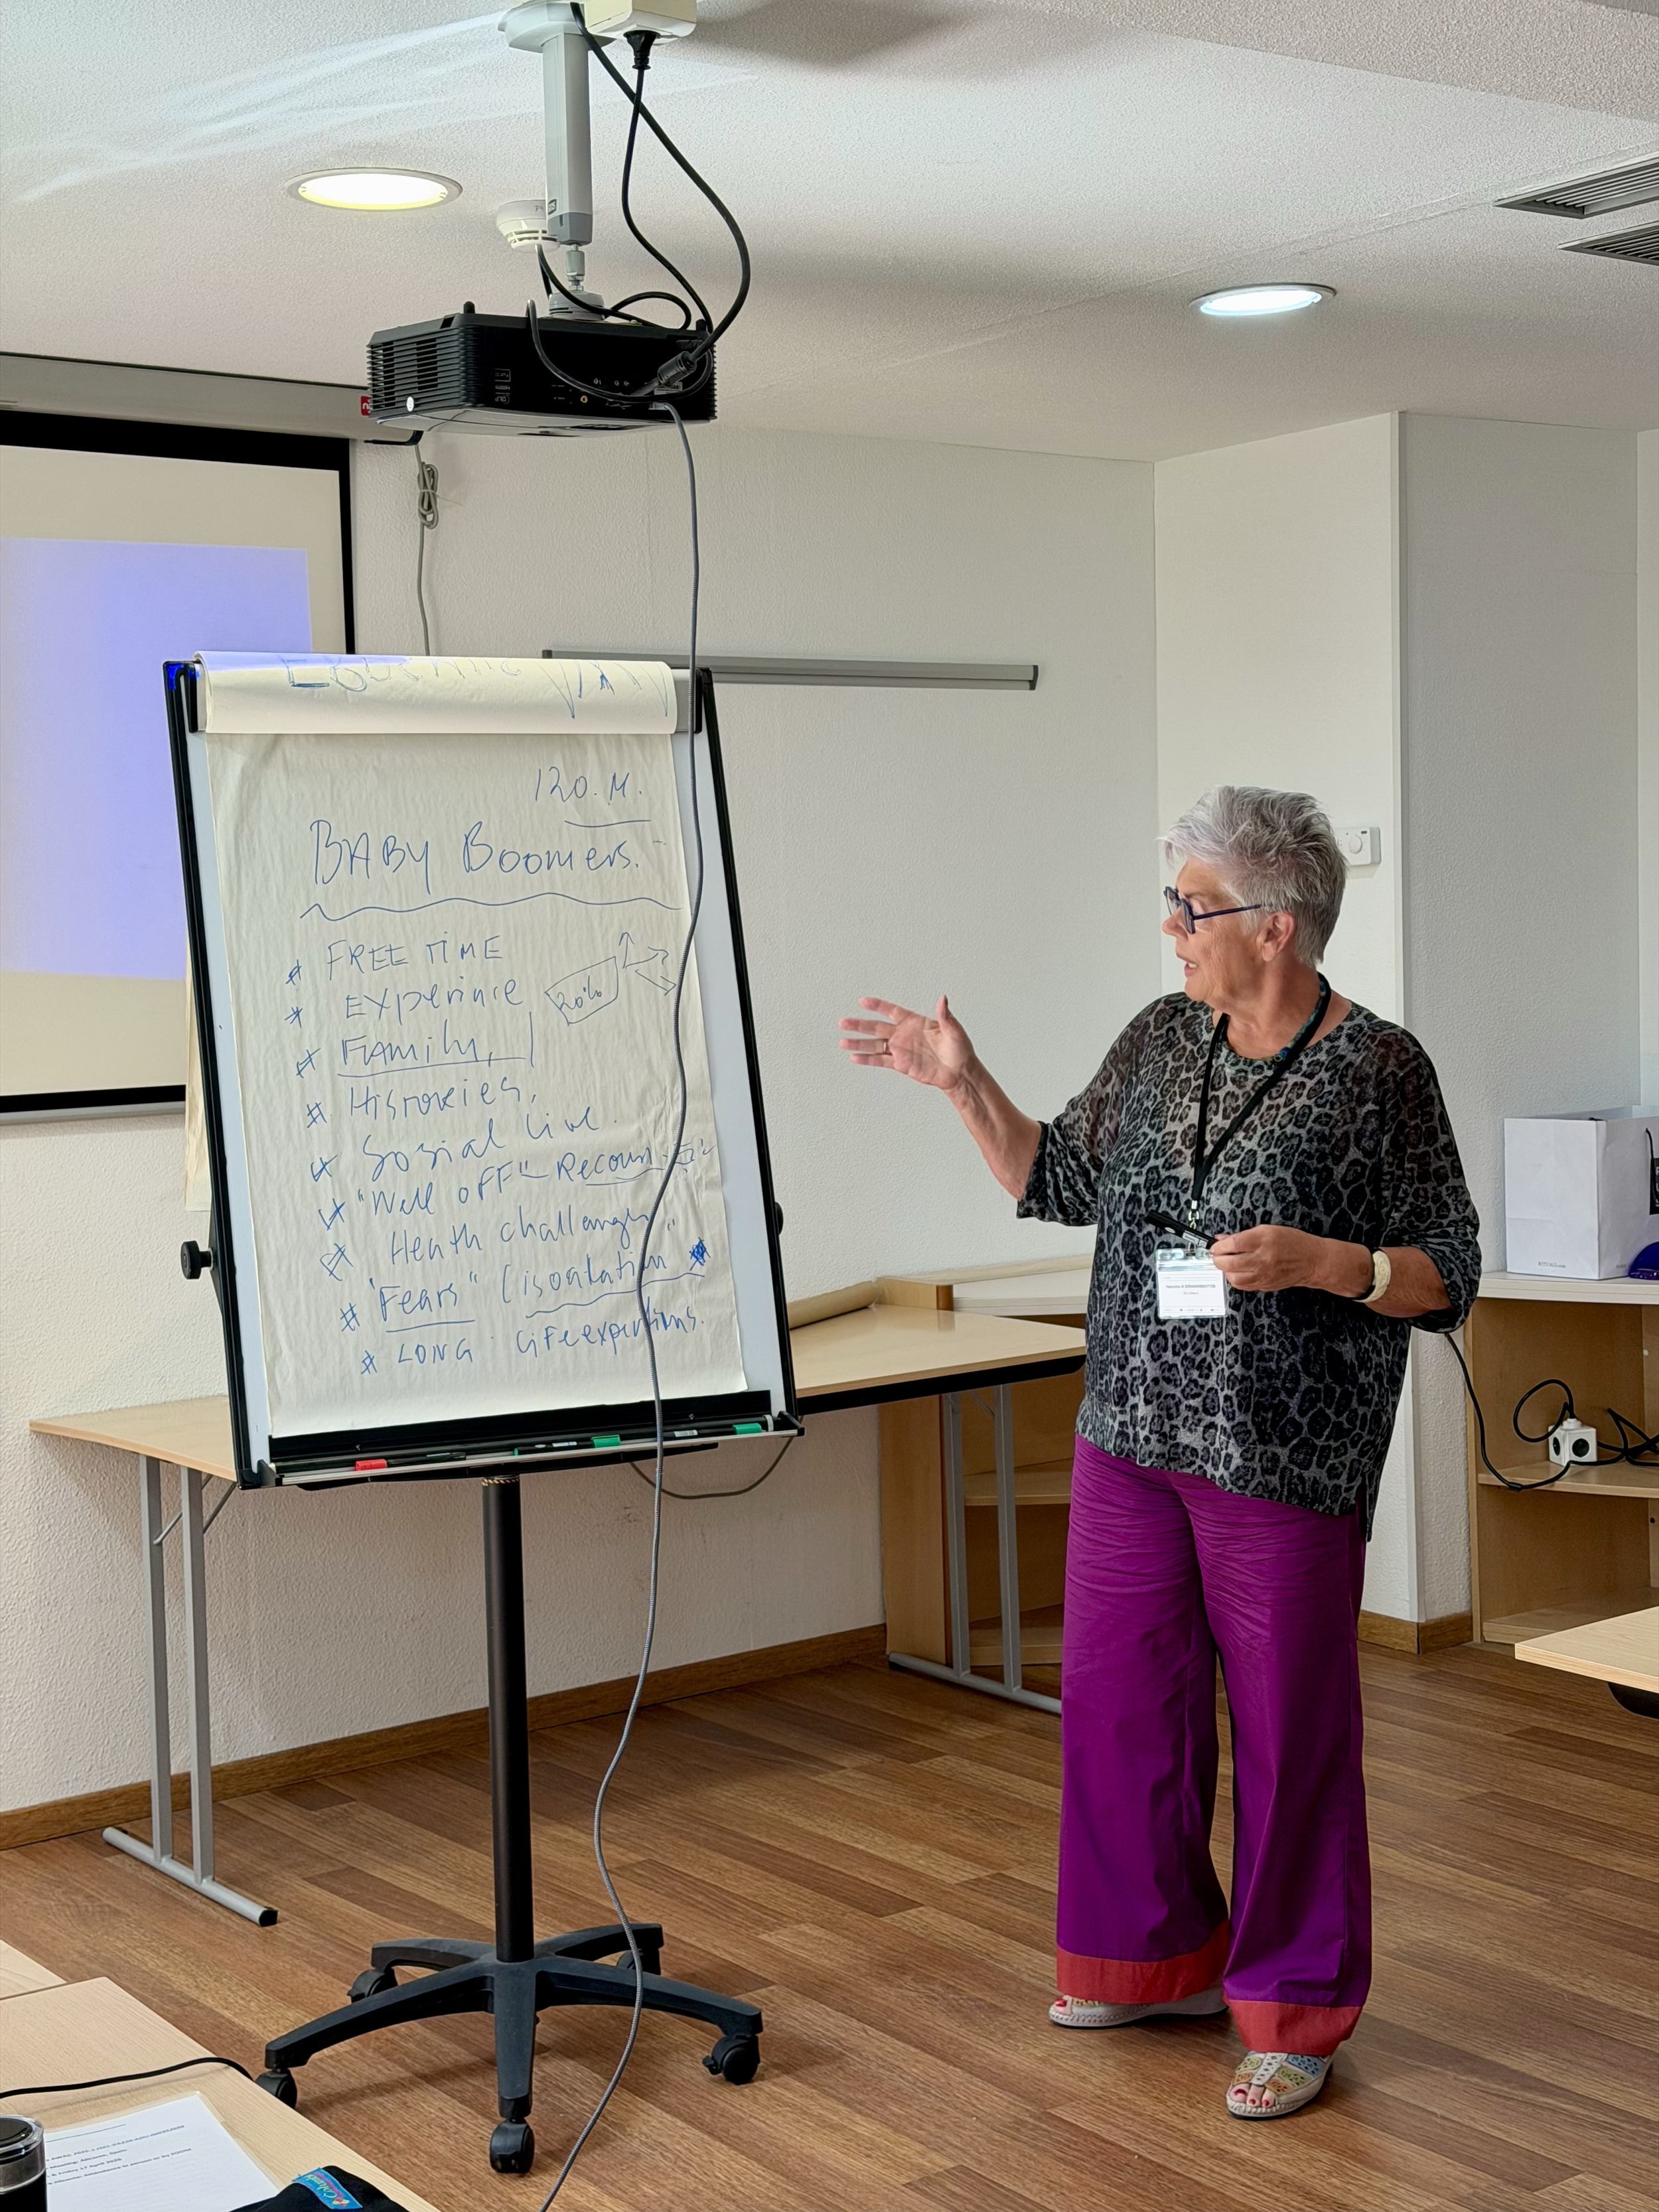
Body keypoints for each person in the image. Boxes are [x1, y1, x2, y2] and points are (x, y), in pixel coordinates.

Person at [838, 784, 1480, 2120]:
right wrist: (961, 1083)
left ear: (1275, 923)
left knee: (1291, 1733)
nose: (1171, 928)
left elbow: (1449, 1271)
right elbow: (1057, 1181)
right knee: (1123, 1711)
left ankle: (1293, 2006)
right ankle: (1151, 1960)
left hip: (1280, 1457)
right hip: (1127, 1433)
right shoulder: (1156, 1038)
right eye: (1172, 903)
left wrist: (1331, 1263)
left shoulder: (1377, 1073)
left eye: (1192, 906)